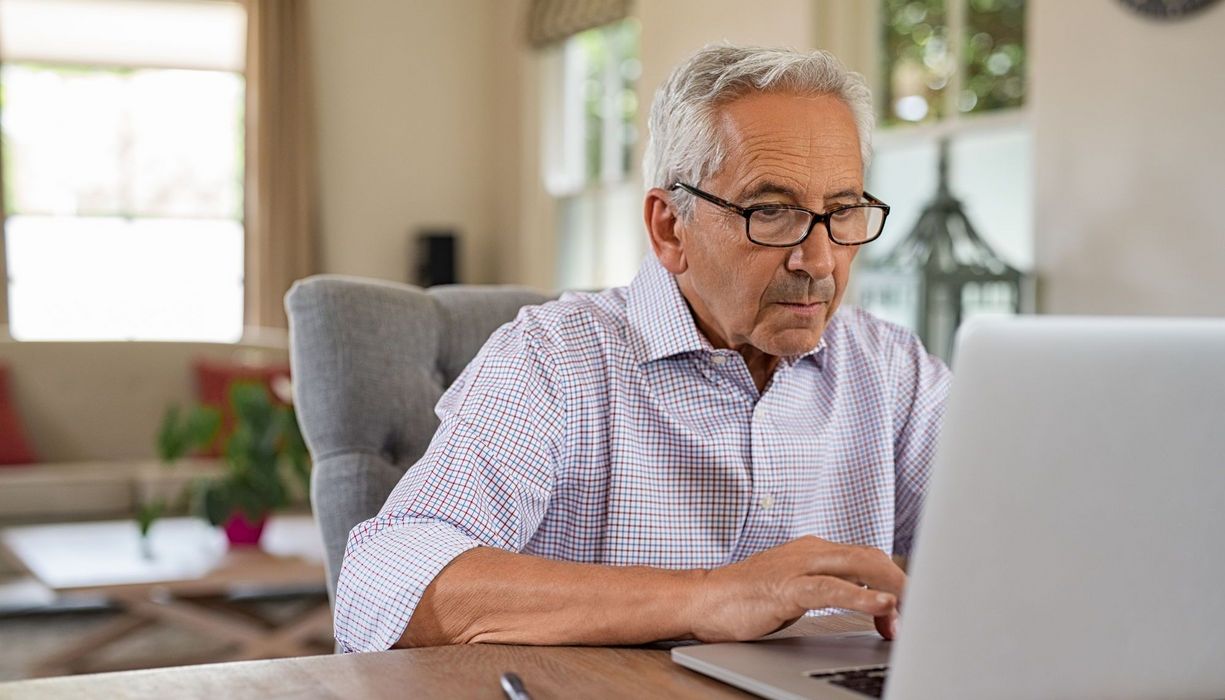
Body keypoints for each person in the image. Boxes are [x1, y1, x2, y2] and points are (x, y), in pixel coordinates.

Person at [334, 44, 950, 653]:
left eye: (843, 212)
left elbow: (1022, 546)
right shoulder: (554, 358)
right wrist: (709, 596)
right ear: (669, 227)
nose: (818, 261)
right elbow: (381, 587)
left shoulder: (893, 370)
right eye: (771, 212)